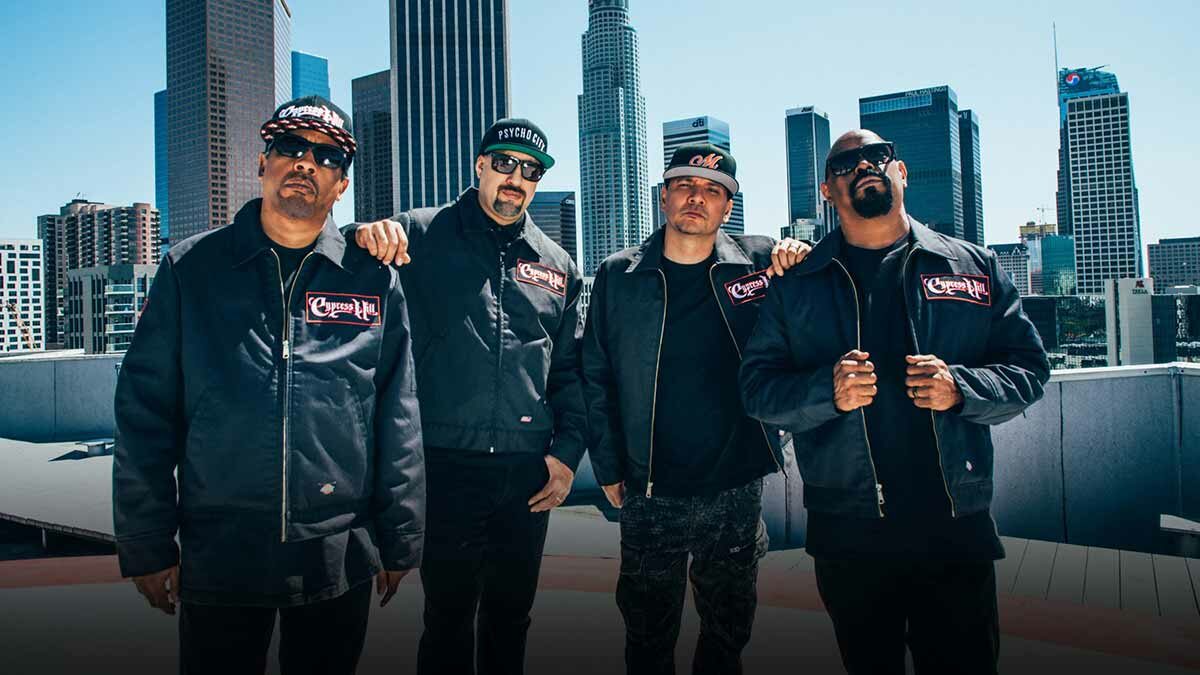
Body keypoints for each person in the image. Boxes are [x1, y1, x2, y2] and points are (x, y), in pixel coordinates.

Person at [112, 95, 425, 675]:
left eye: (327, 157)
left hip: (337, 551)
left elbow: (397, 415)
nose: (306, 162)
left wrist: (401, 538)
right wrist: (146, 540)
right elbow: (144, 414)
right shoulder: (190, 269)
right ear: (263, 162)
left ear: (342, 185)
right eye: (290, 146)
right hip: (220, 552)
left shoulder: (372, 279)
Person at [739, 129, 1050, 674]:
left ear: (900, 172)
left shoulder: (972, 267)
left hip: (954, 527)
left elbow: (1029, 369)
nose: (864, 167)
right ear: (827, 190)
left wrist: (961, 388)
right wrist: (826, 391)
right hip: (848, 533)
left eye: (877, 156)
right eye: (846, 164)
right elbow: (757, 389)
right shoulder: (799, 283)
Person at [350, 118, 586, 675]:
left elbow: (572, 372)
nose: (516, 179)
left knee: (512, 617)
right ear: (480, 165)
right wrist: (364, 231)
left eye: (530, 171)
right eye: (504, 164)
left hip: (526, 473)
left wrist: (566, 455)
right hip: (444, 464)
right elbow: (343, 255)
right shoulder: (422, 233)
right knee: (448, 617)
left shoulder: (557, 264)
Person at [583, 143, 810, 674]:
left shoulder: (758, 262)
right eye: (684, 185)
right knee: (647, 638)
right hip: (650, 491)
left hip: (735, 488)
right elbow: (596, 375)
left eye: (712, 190)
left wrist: (799, 251)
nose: (696, 197)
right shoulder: (619, 275)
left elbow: (820, 294)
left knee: (727, 636)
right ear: (663, 197)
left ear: (727, 207)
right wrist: (609, 466)